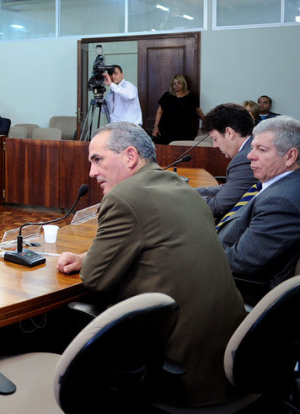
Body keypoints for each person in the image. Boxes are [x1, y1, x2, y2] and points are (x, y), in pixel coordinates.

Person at [57, 122, 245, 406]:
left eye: (98, 160)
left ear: (130, 156)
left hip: (179, 370)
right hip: (230, 362)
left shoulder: (123, 197)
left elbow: (95, 280)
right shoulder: (184, 191)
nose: (92, 172)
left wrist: (89, 262)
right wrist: (86, 257)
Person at [218, 116, 300, 305]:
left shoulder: (283, 200)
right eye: (253, 147)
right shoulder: (278, 183)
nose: (249, 155)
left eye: (261, 150)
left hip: (237, 293)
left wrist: (194, 252)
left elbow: (241, 263)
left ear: (290, 156)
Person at [196, 104, 257, 220]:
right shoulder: (250, 148)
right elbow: (229, 188)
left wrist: (179, 198)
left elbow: (217, 207)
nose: (215, 146)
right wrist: (186, 191)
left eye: (215, 139)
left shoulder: (246, 158)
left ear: (229, 133)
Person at [151, 74, 204, 144]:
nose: (176, 85)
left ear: (183, 84)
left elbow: (198, 111)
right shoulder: (167, 96)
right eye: (174, 83)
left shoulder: (191, 97)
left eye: (179, 83)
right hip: (166, 130)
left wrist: (208, 123)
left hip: (184, 130)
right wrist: (156, 126)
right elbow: (159, 111)